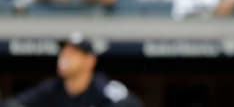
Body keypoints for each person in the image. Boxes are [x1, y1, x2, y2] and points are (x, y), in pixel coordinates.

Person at [2, 31, 143, 107]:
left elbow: (131, 104)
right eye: (63, 52)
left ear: (90, 61)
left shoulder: (103, 87)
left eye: (72, 53)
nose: (64, 57)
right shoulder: (52, 88)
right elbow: (16, 103)